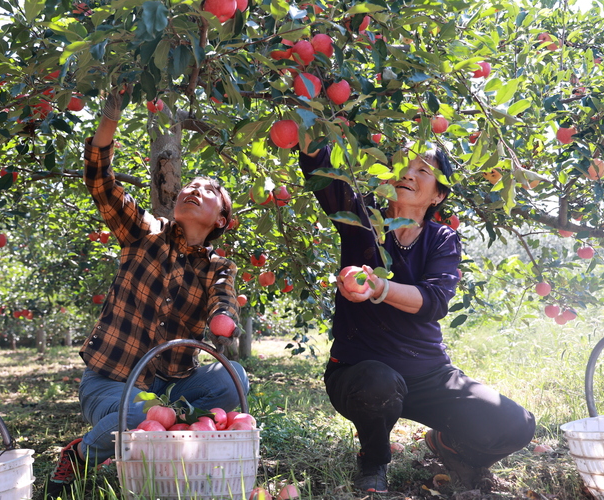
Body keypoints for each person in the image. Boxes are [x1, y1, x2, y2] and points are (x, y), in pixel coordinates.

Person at [45, 88, 249, 499]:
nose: (192, 190)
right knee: (138, 409)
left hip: (175, 383)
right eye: (188, 186)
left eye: (206, 190)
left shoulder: (219, 267)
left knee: (234, 382)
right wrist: (111, 115)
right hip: (109, 382)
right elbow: (101, 182)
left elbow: (223, 300)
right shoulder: (144, 232)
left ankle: (169, 433)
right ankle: (82, 455)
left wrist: (221, 319)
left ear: (222, 218)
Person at [299, 139, 535, 493]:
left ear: (438, 195)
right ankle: (374, 458)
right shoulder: (364, 220)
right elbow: (324, 173)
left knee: (516, 424)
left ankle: (450, 446)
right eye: (402, 164)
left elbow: (435, 300)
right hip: (360, 372)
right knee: (378, 382)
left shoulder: (442, 240)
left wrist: (381, 289)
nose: (408, 173)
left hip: (428, 374)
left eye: (423, 169)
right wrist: (309, 123)